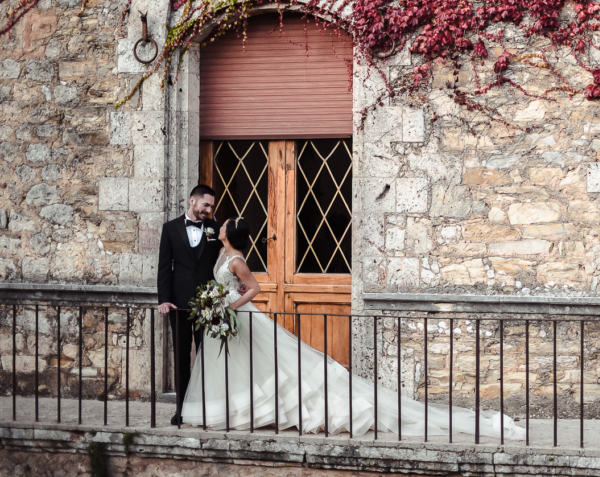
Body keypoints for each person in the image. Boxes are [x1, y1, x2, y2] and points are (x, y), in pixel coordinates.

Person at [181, 217, 523, 440]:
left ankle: (268, 409)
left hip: (235, 314)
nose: (220, 225)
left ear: (229, 234)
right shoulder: (222, 253)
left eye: (224, 224)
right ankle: (232, 407)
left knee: (270, 363)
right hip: (224, 316)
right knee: (242, 366)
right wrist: (219, 301)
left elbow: (254, 288)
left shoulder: (237, 259)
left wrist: (228, 304)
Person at [157, 184, 223, 425]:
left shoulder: (217, 229)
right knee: (182, 358)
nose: (208, 210)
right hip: (179, 305)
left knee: (207, 358)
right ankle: (182, 410)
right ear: (192, 200)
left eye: (211, 206)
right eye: (205, 205)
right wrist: (164, 298)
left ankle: (207, 409)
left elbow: (229, 256)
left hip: (208, 303)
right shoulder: (171, 229)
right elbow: (165, 267)